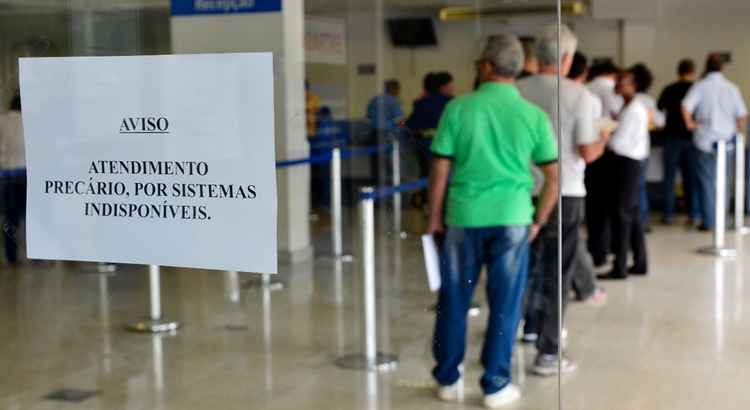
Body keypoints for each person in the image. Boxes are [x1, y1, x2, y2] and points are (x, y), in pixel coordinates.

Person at [428, 33, 558, 408]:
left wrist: (434, 216)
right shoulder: (533, 115)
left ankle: (448, 379)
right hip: (513, 219)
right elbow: (553, 174)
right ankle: (495, 384)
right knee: (505, 301)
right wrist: (538, 219)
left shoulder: (458, 109)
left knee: (455, 298)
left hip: (464, 219)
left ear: (486, 67)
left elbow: (439, 166)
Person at [518, 24, 607, 376]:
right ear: (567, 58)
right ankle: (550, 351)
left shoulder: (518, 91)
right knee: (559, 269)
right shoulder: (578, 96)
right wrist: (603, 140)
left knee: (527, 265)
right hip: (565, 191)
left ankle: (528, 326)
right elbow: (586, 150)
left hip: (523, 192)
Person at [598, 65, 652, 280]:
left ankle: (620, 266)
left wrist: (605, 134)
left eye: (624, 81)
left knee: (621, 215)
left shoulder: (633, 110)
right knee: (632, 214)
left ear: (635, 86)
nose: (619, 83)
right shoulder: (629, 107)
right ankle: (640, 261)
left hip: (625, 164)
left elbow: (619, 144)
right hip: (630, 163)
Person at [683, 53, 748, 231]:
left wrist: (690, 123)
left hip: (704, 140)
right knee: (724, 182)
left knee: (706, 182)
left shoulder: (700, 86)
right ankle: (722, 218)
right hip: (726, 141)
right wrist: (736, 131)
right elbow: (742, 115)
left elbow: (686, 106)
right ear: (722, 67)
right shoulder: (731, 88)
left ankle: (710, 221)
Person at [585, 60, 622, 266]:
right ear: (611, 74)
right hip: (607, 151)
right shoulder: (611, 91)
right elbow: (617, 118)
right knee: (608, 205)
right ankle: (605, 249)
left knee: (593, 205)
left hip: (587, 150)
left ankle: (594, 247)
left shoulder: (585, 89)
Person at [659, 59, 699, 226]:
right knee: (690, 178)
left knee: (669, 178)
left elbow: (659, 107)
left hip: (672, 137)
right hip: (691, 138)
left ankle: (668, 214)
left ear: (678, 72)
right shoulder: (696, 90)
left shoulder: (669, 89)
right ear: (693, 72)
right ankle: (693, 214)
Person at [405, 72, 454, 180]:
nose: (453, 89)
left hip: (423, 149)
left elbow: (410, 124)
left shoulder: (421, 103)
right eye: (450, 86)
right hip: (443, 148)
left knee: (427, 177)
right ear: (442, 87)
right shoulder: (450, 104)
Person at [0, 92, 26, 266]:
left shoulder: (2, 120)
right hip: (25, 174)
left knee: (9, 218)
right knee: (31, 216)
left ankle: (11, 257)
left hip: (6, 175)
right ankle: (37, 256)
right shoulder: (29, 121)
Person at [366, 79, 404, 185]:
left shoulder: (374, 100)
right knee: (391, 165)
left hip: (374, 134)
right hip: (389, 135)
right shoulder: (394, 101)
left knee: (376, 166)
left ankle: (377, 187)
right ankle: (392, 190)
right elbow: (399, 121)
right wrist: (404, 127)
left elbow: (368, 119)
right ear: (396, 89)